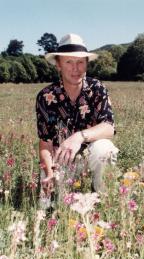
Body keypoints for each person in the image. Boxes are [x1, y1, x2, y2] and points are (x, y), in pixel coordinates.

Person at [36, 33, 118, 208]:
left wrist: (79, 137)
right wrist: (50, 172)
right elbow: (45, 145)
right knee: (49, 205)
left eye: (80, 62)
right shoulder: (45, 97)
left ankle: (103, 201)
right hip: (62, 160)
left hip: (91, 155)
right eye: (69, 62)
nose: (76, 68)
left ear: (87, 64)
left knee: (106, 149)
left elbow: (108, 127)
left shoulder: (97, 89)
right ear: (58, 65)